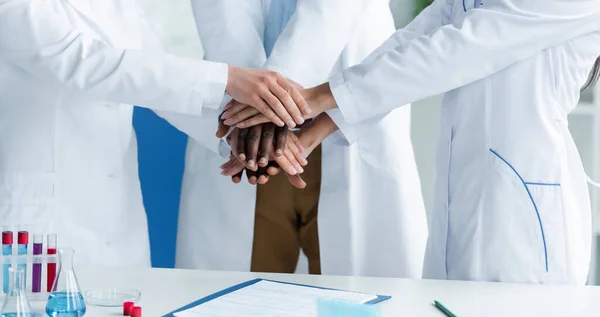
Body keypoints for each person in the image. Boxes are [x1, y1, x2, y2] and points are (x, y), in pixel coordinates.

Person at [223, 0, 600, 285]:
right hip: (465, 194)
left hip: (525, 218)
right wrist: (310, 133)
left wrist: (308, 99)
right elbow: (414, 41)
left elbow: (456, 49)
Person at [0, 0, 309, 268]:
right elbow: (87, 63)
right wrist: (228, 78)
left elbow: (155, 80)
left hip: (115, 217)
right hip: (38, 218)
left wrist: (239, 137)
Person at [176, 0, 428, 277]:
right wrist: (257, 97)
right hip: (248, 127)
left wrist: (271, 101)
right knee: (236, 302)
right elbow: (223, 14)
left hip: (338, 108)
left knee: (351, 302)